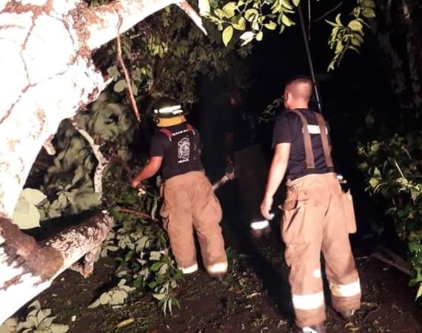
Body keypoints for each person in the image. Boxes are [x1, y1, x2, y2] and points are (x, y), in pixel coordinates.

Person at [260, 77, 361, 333]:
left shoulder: (287, 120)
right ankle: (348, 305)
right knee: (338, 248)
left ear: (287, 96)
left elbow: (282, 157)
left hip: (305, 192)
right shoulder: (321, 120)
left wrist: (268, 196)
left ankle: (313, 321)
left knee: (304, 257)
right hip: (332, 189)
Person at [131, 97, 228, 279]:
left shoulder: (159, 138)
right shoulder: (192, 131)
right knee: (208, 224)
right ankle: (218, 268)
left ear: (159, 117)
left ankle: (188, 269)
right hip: (199, 179)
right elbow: (197, 152)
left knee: (179, 228)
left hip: (175, 186)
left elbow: (153, 166)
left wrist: (136, 180)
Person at [225, 88, 271, 238]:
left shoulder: (233, 114)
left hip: (243, 153)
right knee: (260, 185)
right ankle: (266, 221)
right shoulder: (249, 111)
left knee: (249, 189)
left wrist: (227, 154)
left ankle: (258, 227)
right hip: (256, 150)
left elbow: (229, 137)